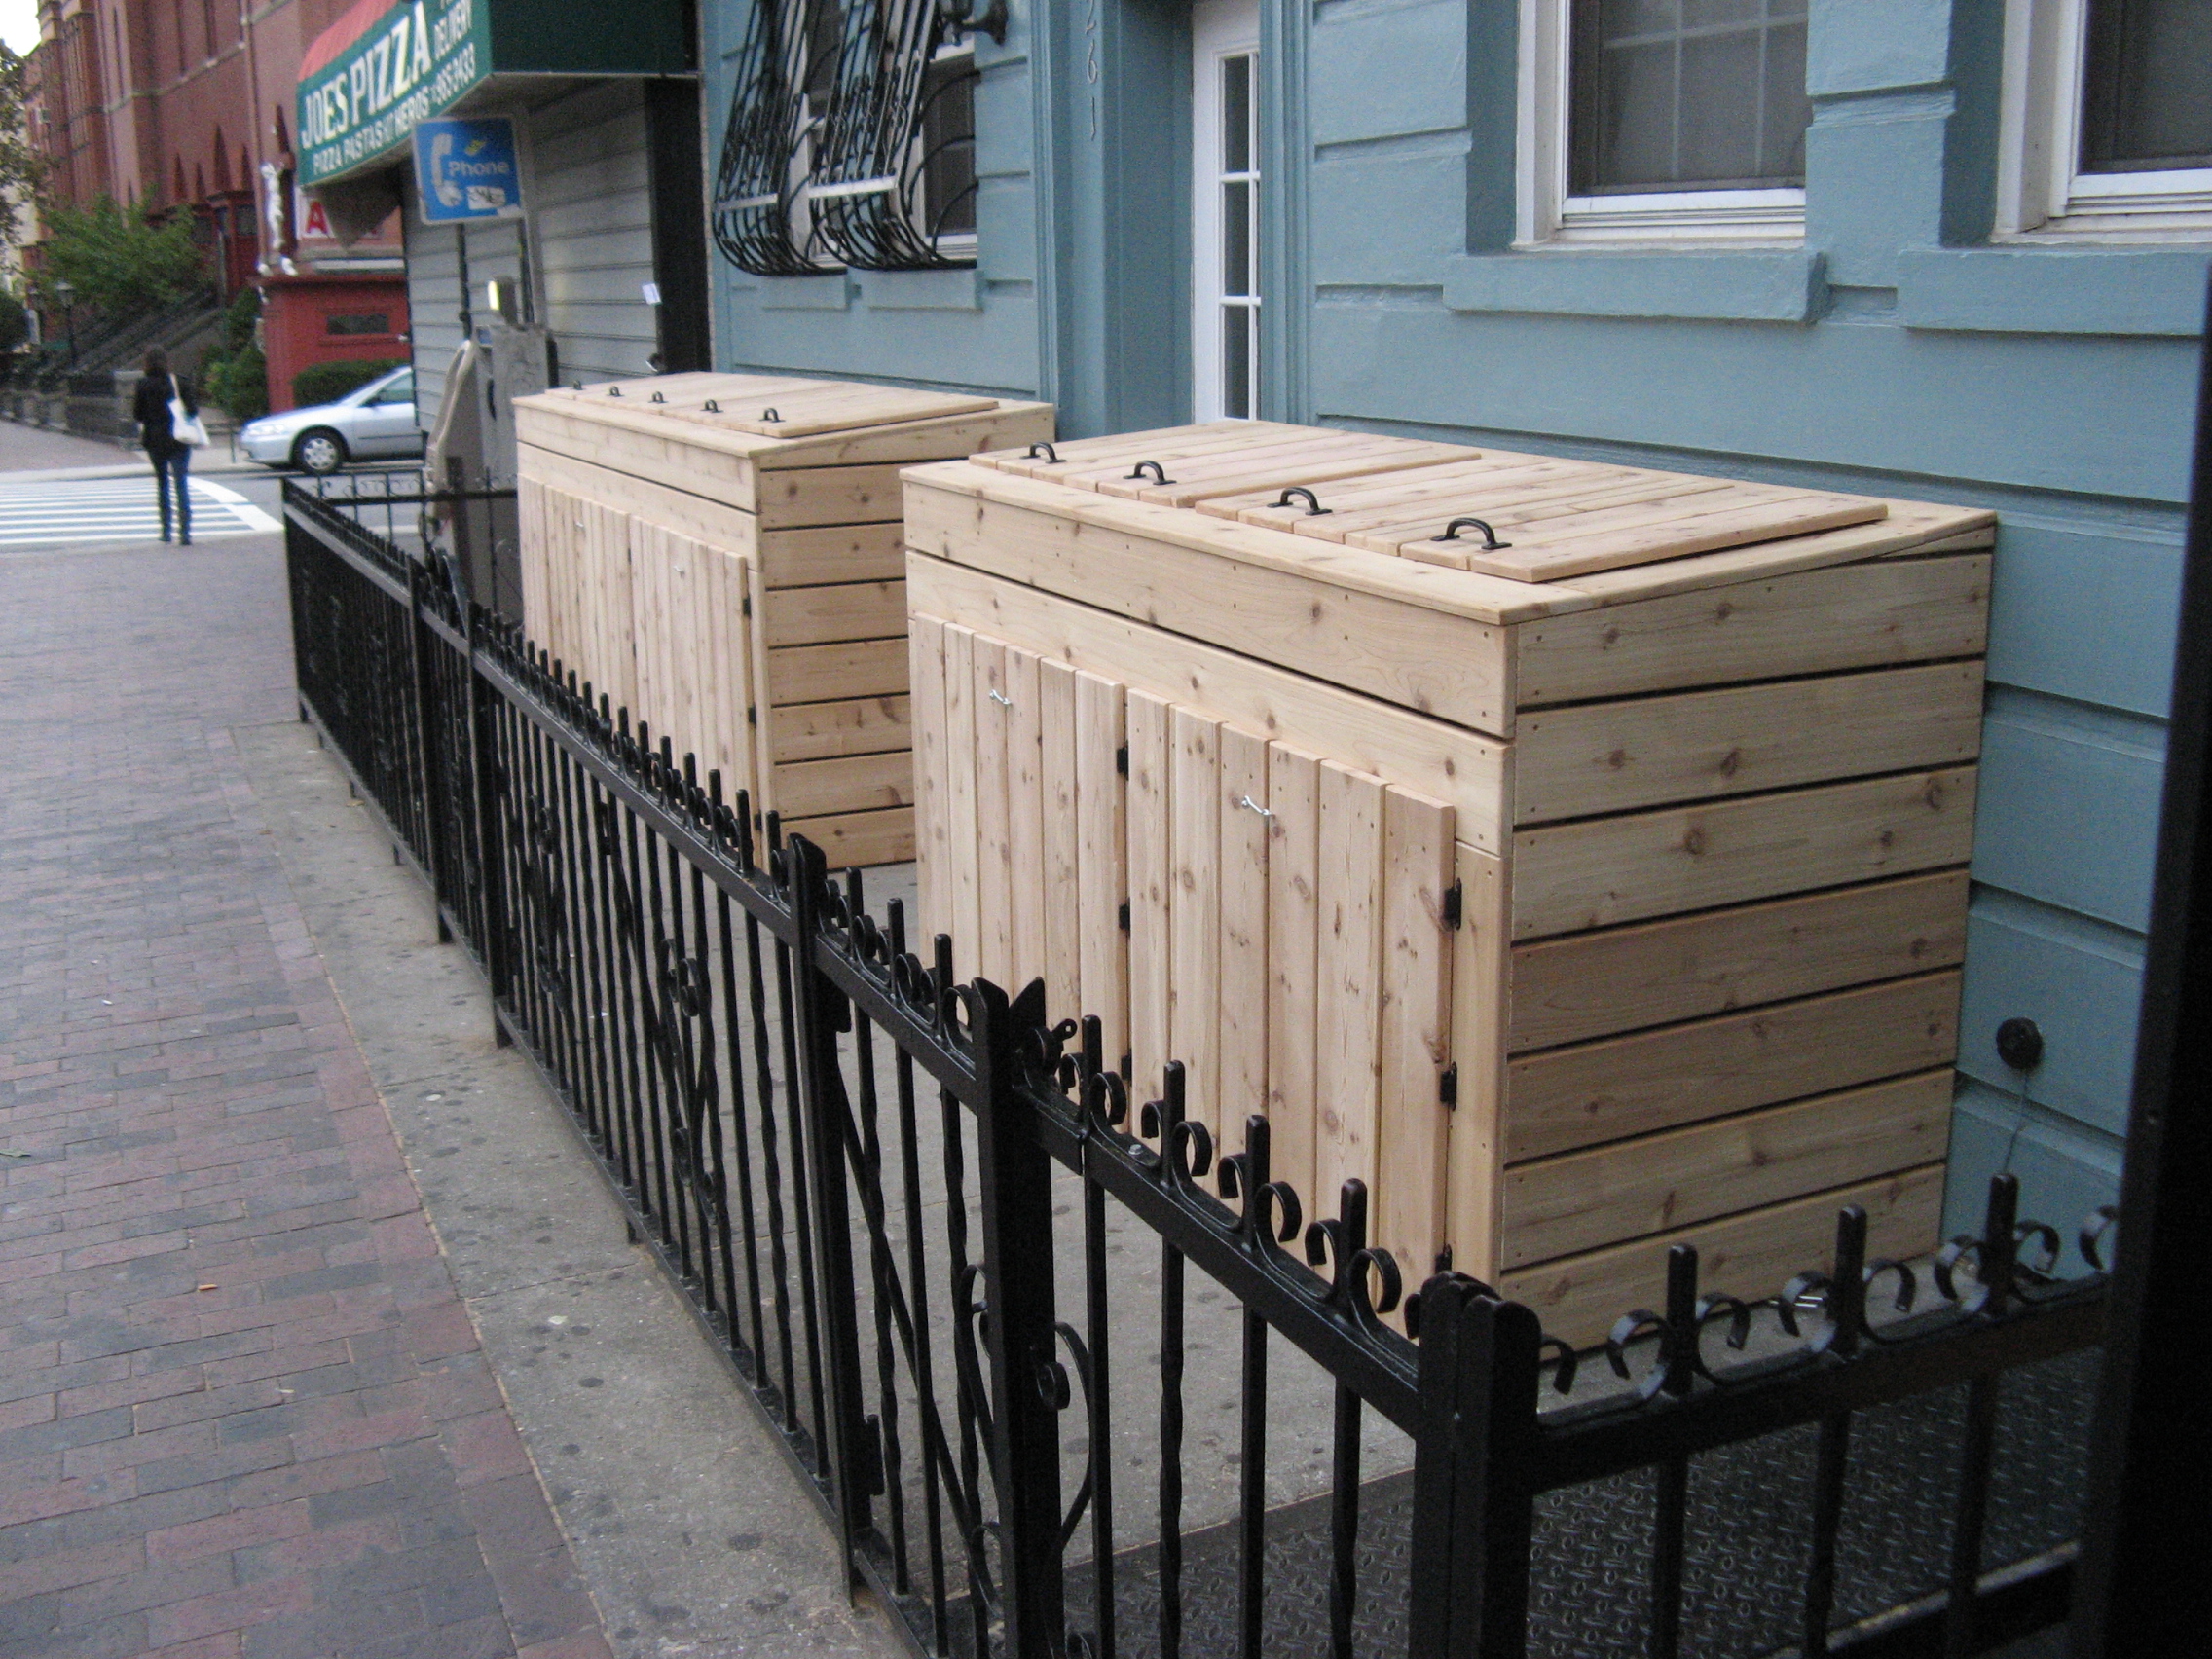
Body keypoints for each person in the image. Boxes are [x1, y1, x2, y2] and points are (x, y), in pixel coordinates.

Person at [132, 348, 197, 544]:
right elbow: (192, 411)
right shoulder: (180, 382)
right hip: (179, 439)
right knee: (181, 482)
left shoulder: (143, 385)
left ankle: (165, 530)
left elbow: (138, 415)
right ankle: (185, 531)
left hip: (155, 439)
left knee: (162, 483)